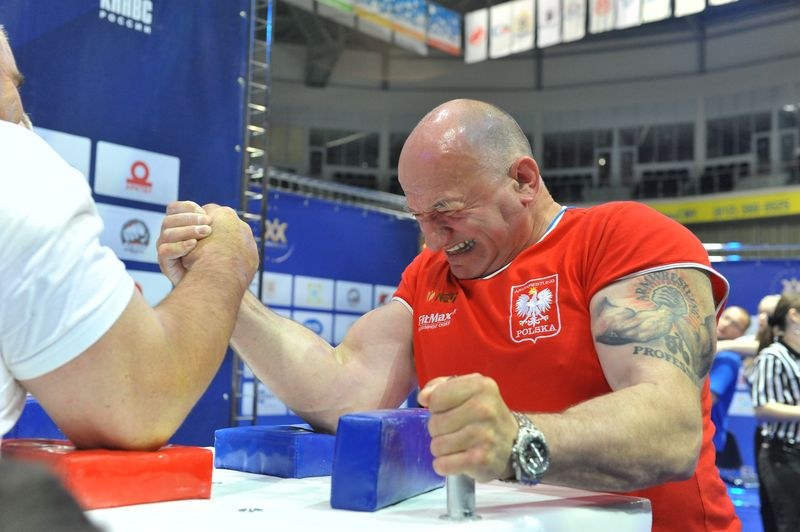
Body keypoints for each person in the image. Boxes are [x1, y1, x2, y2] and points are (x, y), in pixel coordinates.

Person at [159, 99, 739, 531]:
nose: (433, 239)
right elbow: (346, 391)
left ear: (523, 180)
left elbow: (671, 429)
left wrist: (517, 441)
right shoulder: (429, 278)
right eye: (418, 216)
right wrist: (224, 290)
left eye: (448, 212)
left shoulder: (625, 238)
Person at [0, 26, 258, 452]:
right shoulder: (14, 165)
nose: (25, 115)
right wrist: (225, 259)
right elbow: (137, 405)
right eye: (17, 83)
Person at [748, 293, 800, 532]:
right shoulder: (773, 355)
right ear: (793, 315)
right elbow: (762, 408)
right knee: (789, 522)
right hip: (784, 454)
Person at [710, 306, 750, 457]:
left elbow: (707, 399)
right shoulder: (703, 348)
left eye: (735, 324)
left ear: (741, 334)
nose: (725, 325)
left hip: (705, 441)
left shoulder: (727, 359)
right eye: (726, 317)